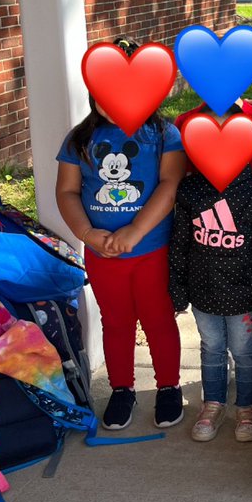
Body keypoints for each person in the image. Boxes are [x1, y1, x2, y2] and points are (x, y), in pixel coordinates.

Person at [56, 37, 187, 432]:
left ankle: (168, 386)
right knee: (116, 322)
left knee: (159, 319)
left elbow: (170, 184)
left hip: (151, 249)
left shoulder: (164, 134)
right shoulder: (80, 139)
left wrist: (134, 230)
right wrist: (87, 233)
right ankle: (122, 388)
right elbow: (66, 190)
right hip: (103, 254)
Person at [168, 106, 252, 444]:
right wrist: (178, 290)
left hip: (244, 295)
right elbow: (179, 246)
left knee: (246, 352)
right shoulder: (190, 193)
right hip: (204, 291)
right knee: (212, 348)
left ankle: (246, 408)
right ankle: (213, 404)